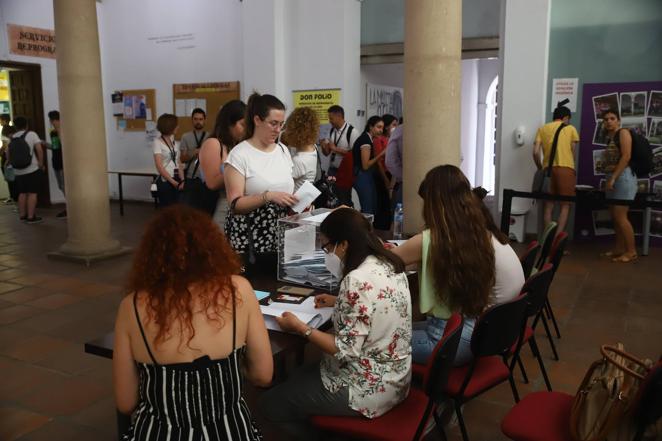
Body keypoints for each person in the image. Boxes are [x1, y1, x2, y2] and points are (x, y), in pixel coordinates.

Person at [113, 205, 272, 440]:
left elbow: (125, 402)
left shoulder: (133, 306)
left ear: (152, 255)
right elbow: (263, 375)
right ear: (212, 248)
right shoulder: (239, 289)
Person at [261, 208, 411, 440]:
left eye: (327, 247)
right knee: (297, 379)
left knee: (271, 403)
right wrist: (340, 300)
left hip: (366, 389)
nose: (327, 253)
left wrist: (302, 328)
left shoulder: (356, 281)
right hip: (396, 376)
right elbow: (376, 305)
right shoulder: (390, 262)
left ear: (344, 244)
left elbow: (344, 350)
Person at [392, 165, 524, 366]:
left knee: (377, 340)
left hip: (448, 341)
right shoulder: (475, 233)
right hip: (477, 333)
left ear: (435, 203)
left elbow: (383, 260)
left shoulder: (432, 240)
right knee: (398, 329)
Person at [224, 93, 297, 261]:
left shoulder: (283, 150)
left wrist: (298, 201)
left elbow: (286, 188)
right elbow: (235, 204)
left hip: (280, 239)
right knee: (253, 285)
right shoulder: (239, 155)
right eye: (273, 124)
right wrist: (268, 196)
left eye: (281, 124)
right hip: (250, 243)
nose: (278, 130)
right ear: (257, 120)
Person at [198, 100, 246, 224]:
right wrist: (239, 170)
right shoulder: (213, 144)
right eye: (242, 125)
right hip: (216, 207)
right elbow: (212, 183)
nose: (245, 130)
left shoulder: (235, 145)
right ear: (229, 123)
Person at [532, 105, 579, 233]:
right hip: (566, 168)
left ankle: (548, 240)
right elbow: (572, 151)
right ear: (566, 117)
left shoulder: (542, 129)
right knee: (565, 205)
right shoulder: (570, 129)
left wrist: (540, 167)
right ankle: (557, 242)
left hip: (548, 171)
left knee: (549, 205)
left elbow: (535, 152)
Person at [601, 109, 638, 263]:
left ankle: (631, 252)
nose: (609, 121)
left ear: (618, 120)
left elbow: (627, 156)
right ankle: (619, 248)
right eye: (606, 119)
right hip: (612, 178)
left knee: (621, 217)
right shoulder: (609, 138)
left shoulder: (623, 133)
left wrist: (614, 177)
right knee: (615, 217)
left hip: (623, 178)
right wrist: (610, 178)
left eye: (612, 118)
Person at [352, 116, 390, 230]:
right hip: (363, 176)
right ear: (370, 126)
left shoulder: (368, 139)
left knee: (371, 207)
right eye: (378, 127)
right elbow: (365, 165)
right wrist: (381, 154)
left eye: (382, 128)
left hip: (365, 176)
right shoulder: (365, 140)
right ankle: (365, 236)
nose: (381, 130)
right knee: (368, 209)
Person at [8, 117, 45, 223]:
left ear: (15, 127)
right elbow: (39, 150)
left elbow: (9, 153)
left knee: (22, 193)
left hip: (18, 170)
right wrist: (41, 164)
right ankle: (31, 217)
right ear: (26, 124)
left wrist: (11, 164)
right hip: (31, 168)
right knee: (32, 193)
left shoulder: (13, 137)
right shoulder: (32, 134)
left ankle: (22, 215)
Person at [281, 107, 320, 191]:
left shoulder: (300, 160)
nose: (286, 131)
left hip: (296, 202)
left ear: (294, 132)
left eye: (288, 129)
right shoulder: (313, 147)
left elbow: (280, 182)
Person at [153, 113, 184, 207]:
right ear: (169, 126)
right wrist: (173, 182)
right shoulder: (157, 142)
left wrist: (182, 180)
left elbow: (178, 161)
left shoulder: (173, 140)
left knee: (177, 208)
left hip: (176, 179)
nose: (178, 127)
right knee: (167, 209)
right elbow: (159, 167)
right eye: (176, 125)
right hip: (166, 181)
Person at [321, 105, 359, 176]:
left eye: (331, 118)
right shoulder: (331, 130)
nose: (330, 121)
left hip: (346, 171)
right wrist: (323, 146)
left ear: (339, 116)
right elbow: (326, 153)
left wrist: (335, 149)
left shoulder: (352, 132)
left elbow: (355, 155)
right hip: (332, 170)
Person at [179, 108, 209, 180]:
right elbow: (182, 159)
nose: (198, 121)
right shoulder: (185, 136)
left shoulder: (210, 137)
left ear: (204, 120)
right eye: (195, 119)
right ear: (192, 120)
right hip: (190, 176)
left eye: (200, 119)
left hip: (207, 177)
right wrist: (193, 152)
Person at [47, 111, 67, 218]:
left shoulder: (64, 130)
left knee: (65, 186)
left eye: (52, 120)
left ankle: (69, 208)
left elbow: (65, 145)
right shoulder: (53, 132)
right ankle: (68, 207)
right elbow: (56, 147)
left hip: (64, 162)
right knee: (61, 186)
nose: (51, 122)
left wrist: (59, 130)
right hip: (56, 161)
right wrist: (45, 144)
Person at [0, 115, 18, 204]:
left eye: (0, 120)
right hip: (15, 154)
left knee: (8, 176)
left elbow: (4, 145)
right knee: (14, 176)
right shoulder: (13, 129)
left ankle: (13, 196)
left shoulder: (4, 130)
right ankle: (16, 196)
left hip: (6, 155)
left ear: (3, 120)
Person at [385, 124, 404, 207]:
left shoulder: (400, 131)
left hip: (404, 183)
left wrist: (403, 176)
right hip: (439, 183)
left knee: (401, 217)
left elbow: (390, 161)